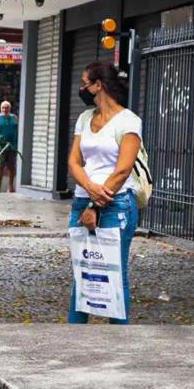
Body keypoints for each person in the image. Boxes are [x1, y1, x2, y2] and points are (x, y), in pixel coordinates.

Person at [67, 61, 142, 325]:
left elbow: (123, 171)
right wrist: (88, 189)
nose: (81, 88)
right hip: (82, 201)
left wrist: (95, 206)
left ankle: (118, 342)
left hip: (115, 205)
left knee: (113, 274)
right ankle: (74, 339)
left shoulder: (129, 121)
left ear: (99, 85)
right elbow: (74, 162)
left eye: (84, 83)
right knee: (83, 273)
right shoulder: (85, 118)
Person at [0, 101, 19, 192]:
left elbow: (18, 130)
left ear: (10, 109)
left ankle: (10, 186)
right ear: (0, 108)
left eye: (7, 108)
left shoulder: (14, 117)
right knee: (0, 167)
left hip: (12, 145)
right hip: (0, 146)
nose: (5, 110)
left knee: (12, 167)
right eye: (3, 107)